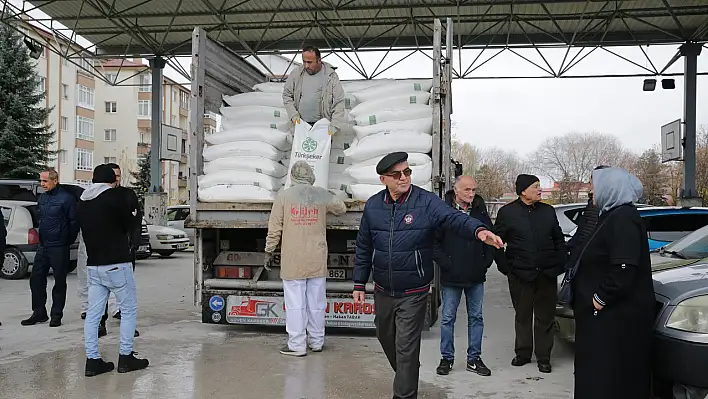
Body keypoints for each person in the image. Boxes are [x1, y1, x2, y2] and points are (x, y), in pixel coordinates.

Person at [352, 152, 503, 399]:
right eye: (397, 174)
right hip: (383, 290)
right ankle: (408, 370)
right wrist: (359, 283)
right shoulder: (373, 206)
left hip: (414, 290)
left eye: (407, 172)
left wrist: (479, 231)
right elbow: (364, 246)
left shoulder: (426, 202)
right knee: (386, 338)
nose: (404, 178)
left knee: (406, 347)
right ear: (383, 180)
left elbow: (454, 218)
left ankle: (404, 392)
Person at [572, 167, 654, 399]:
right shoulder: (611, 215)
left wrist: (600, 299)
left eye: (594, 185)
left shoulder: (623, 218)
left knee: (609, 377)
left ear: (610, 187)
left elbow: (624, 268)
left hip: (614, 321)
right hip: (605, 319)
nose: (591, 190)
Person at [265, 161, 346, 357]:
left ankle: (296, 345)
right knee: (317, 302)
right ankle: (317, 342)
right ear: (310, 175)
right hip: (316, 257)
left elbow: (275, 227)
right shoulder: (320, 194)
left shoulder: (283, 196)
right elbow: (341, 208)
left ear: (292, 177)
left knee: (295, 303)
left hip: (293, 259)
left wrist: (269, 250)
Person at [78, 165, 148, 377]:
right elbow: (129, 223)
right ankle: (126, 358)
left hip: (94, 266)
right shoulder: (114, 198)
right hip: (117, 263)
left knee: (93, 315)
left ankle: (92, 360)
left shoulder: (82, 201)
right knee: (128, 310)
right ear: (110, 180)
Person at [493, 174, 566, 374]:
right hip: (520, 274)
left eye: (539, 186)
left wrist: (560, 263)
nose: (540, 189)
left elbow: (558, 240)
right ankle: (523, 354)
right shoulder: (507, 213)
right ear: (523, 191)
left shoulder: (548, 212)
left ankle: (544, 357)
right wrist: (506, 268)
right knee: (523, 316)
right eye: (536, 186)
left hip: (547, 273)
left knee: (545, 317)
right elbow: (496, 243)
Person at [433, 176, 495, 377]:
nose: (471, 193)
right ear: (456, 190)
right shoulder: (443, 211)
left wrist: (484, 263)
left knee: (476, 317)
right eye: (467, 190)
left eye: (474, 190)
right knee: (448, 318)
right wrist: (447, 264)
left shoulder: (480, 210)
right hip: (452, 276)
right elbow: (434, 243)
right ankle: (447, 358)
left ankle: (474, 359)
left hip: (476, 275)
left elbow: (489, 237)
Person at [22, 168, 79, 327]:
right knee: (36, 279)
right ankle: (39, 313)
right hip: (43, 246)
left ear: (55, 180)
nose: (42, 184)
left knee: (59, 282)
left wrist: (65, 241)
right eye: (41, 181)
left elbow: (74, 223)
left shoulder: (67, 199)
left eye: (45, 181)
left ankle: (56, 315)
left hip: (59, 246)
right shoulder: (43, 198)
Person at [101, 163, 141, 338]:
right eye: (113, 176)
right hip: (103, 253)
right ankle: (100, 324)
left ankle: (128, 324)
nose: (116, 179)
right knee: (101, 293)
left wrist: (135, 243)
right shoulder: (99, 197)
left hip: (125, 251)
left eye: (118, 176)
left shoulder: (127, 194)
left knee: (126, 293)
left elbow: (136, 220)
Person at [282, 45, 346, 135]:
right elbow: (287, 95)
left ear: (319, 60)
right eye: (304, 62)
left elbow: (339, 101)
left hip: (323, 127)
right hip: (301, 125)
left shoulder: (330, 76)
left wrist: (335, 125)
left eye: (310, 62)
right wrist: (293, 115)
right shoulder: (296, 74)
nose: (306, 65)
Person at [565, 165, 610, 270]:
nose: (589, 187)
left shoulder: (600, 205)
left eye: (590, 183)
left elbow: (586, 235)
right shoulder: (594, 204)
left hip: (586, 261)